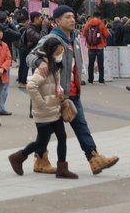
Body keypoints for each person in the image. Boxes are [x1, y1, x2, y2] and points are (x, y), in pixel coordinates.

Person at [27, 5, 119, 175]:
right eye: (67, 17)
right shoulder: (51, 39)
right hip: (55, 95)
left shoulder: (74, 39)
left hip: (72, 93)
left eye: (73, 16)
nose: (72, 20)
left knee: (81, 126)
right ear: (57, 21)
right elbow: (30, 55)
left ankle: (94, 159)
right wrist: (39, 62)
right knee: (46, 132)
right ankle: (38, 159)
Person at [8, 36, 78, 179]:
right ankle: (18, 157)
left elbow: (53, 85)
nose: (60, 55)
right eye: (58, 52)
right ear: (51, 52)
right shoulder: (43, 68)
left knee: (61, 137)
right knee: (42, 141)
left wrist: (59, 94)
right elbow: (31, 86)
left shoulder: (54, 67)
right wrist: (41, 103)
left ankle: (62, 168)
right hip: (44, 112)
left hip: (54, 109)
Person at [83, 12, 110, 85]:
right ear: (99, 16)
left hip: (90, 46)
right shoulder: (101, 23)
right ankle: (101, 80)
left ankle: (90, 81)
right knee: (100, 64)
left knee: (91, 64)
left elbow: (84, 34)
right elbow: (106, 34)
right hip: (100, 46)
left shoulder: (88, 23)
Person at [18, 12, 43, 87]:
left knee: (23, 65)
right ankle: (23, 82)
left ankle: (21, 81)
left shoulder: (31, 27)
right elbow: (41, 38)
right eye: (40, 18)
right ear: (35, 19)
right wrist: (44, 26)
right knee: (26, 65)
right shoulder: (30, 29)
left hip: (25, 48)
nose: (42, 20)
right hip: (27, 50)